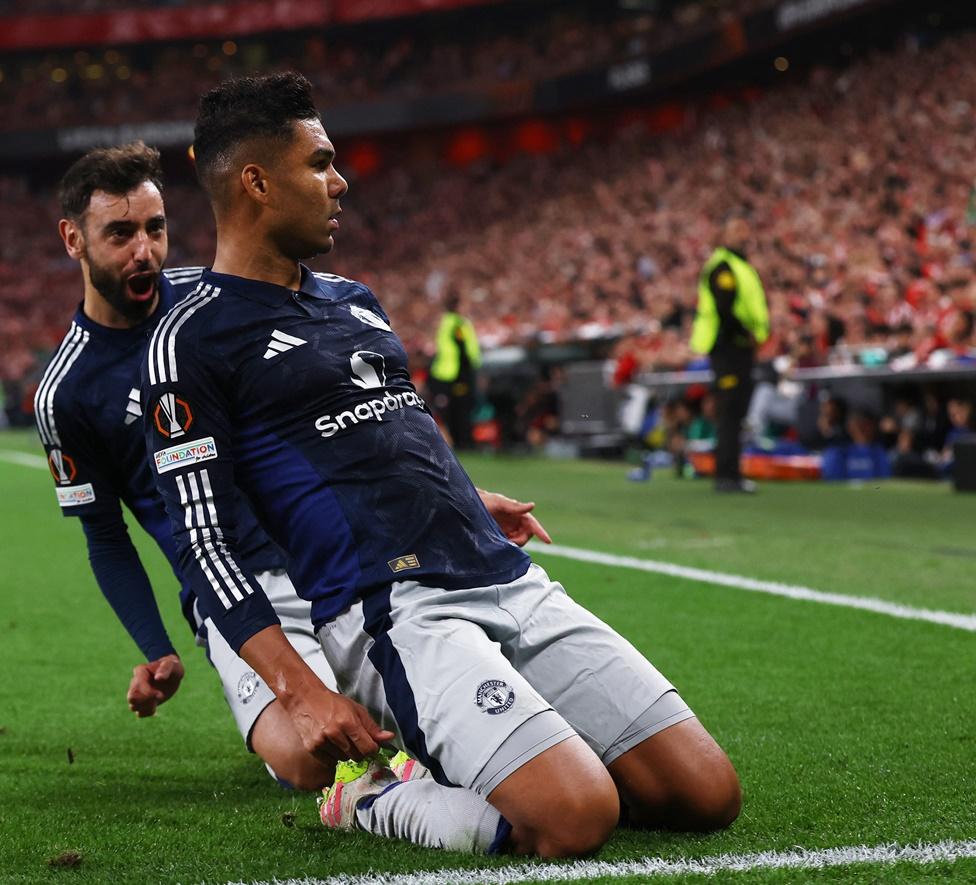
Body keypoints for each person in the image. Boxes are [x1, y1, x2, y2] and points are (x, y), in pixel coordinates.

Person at [141, 73, 739, 859]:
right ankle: (375, 795)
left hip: (502, 575)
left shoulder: (354, 299)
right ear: (255, 182)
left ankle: (500, 757)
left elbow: (395, 432)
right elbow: (204, 544)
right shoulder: (189, 343)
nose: (339, 180)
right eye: (319, 163)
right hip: (395, 609)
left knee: (705, 795)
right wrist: (303, 689)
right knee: (575, 818)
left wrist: (463, 497)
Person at [34, 142, 550, 792]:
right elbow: (105, 539)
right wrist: (156, 648)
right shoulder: (67, 393)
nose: (145, 250)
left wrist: (464, 500)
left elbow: (346, 426)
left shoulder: (218, 307)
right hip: (236, 586)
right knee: (311, 761)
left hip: (333, 553)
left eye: (155, 228)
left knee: (450, 703)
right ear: (73, 240)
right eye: (120, 233)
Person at [690, 216, 769, 493]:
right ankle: (726, 475)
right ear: (724, 234)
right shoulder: (723, 266)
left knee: (734, 412)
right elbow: (725, 309)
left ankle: (730, 473)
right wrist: (743, 334)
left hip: (739, 348)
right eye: (736, 228)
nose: (742, 233)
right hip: (728, 347)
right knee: (730, 411)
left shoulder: (739, 265)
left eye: (745, 227)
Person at [429, 293, 482, 448]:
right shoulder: (457, 323)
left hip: (448, 372)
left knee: (453, 409)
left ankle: (456, 441)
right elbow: (463, 348)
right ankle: (461, 441)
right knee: (459, 409)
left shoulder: (447, 321)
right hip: (454, 373)